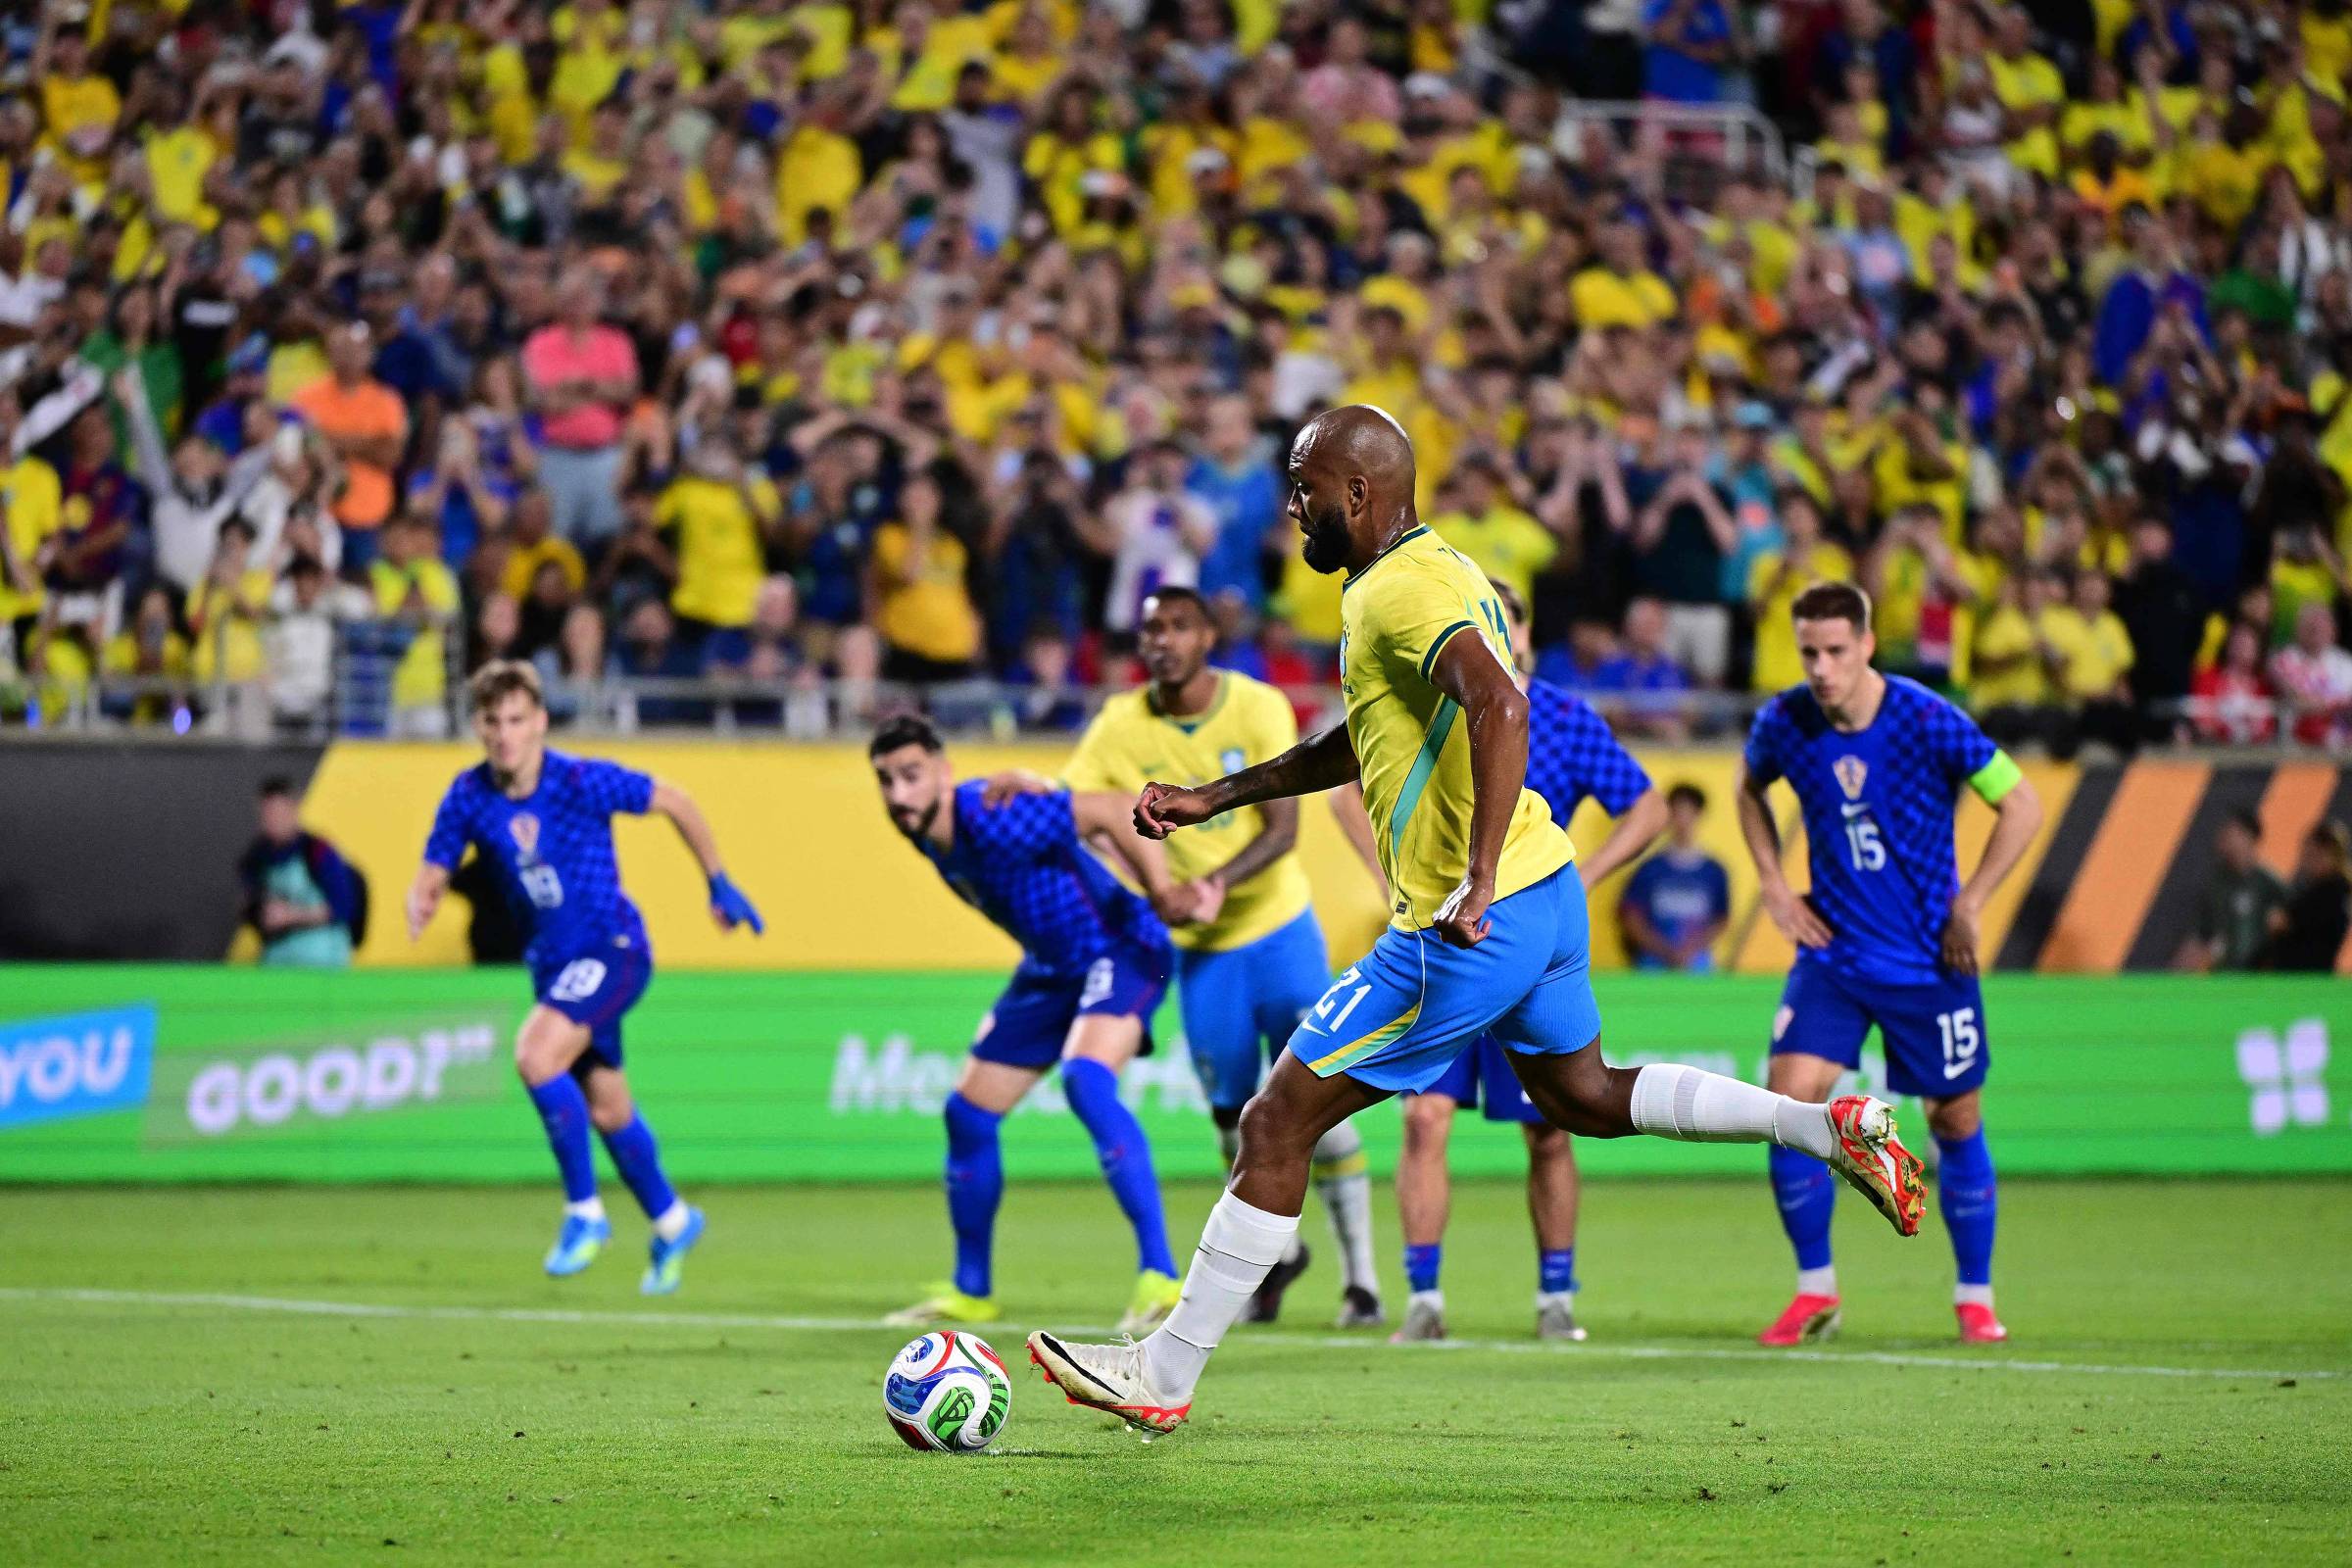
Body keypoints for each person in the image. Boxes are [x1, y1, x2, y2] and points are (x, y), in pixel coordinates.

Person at [1027, 406, 1927, 1434]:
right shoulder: (1436, 568)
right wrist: (1219, 797)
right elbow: (1369, 734)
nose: (1292, 506)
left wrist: (1478, 876)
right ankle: (1828, 1125)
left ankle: (1168, 1369)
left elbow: (1503, 705)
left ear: (1357, 494)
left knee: (1275, 1121)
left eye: (1305, 486)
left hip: (1470, 923)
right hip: (1548, 897)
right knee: (1583, 1094)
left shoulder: (1398, 594)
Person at [1015, 586, 1387, 1328]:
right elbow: (1075, 814)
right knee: (1231, 1117)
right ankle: (1271, 1261)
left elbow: (1283, 830)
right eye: (1151, 628)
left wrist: (1214, 882)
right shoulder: (1120, 723)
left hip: (1279, 931)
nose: (1161, 640)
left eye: (1178, 627)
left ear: (1208, 636)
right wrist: (1151, 889)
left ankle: (1362, 1281)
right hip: (1201, 952)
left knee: (1323, 1101)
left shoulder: (1256, 706)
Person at [1736, 582, 2044, 1349]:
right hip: (1835, 955)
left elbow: (2024, 804)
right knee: (1789, 1104)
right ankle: (1816, 1292)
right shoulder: (1785, 719)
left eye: (1837, 651)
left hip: (1929, 959)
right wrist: (1774, 885)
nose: (1822, 667)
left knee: (1956, 1119)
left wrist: (1972, 901)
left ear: (1868, 644)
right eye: (1809, 651)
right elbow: (1747, 790)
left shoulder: (1927, 718)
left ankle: (1974, 1296)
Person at [1359, 579, 1667, 1346]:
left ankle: (1555, 1298)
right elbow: (1350, 784)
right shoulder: (1430, 708)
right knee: (1425, 1118)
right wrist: (1394, 876)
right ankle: (1424, 1300)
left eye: (1504, 623)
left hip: (1527, 945)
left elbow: (1649, 807)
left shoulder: (1559, 715)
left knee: (1553, 1127)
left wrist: (1580, 880)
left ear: (1519, 633)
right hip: (1447, 944)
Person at [404, 661, 765, 1293]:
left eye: (518, 720)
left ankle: (584, 1213)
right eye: (493, 722)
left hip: (613, 947)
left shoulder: (579, 780)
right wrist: (422, 893)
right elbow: (435, 861)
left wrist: (717, 879)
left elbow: (673, 799)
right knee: (608, 1109)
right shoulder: (469, 795)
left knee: (535, 1056)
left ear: (541, 721)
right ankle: (673, 1218)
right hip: (552, 968)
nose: (505, 734)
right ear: (479, 728)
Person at [870, 712, 1191, 1336]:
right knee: (967, 1114)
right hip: (1052, 969)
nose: (898, 794)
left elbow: (1110, 809)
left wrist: (1162, 893)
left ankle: (1160, 1278)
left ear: (943, 771)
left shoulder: (991, 812)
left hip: (1121, 947)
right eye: (885, 781)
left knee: (1085, 1081)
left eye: (911, 775)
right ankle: (972, 1291)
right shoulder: (924, 830)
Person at [239, 776, 367, 967]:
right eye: (268, 814)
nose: (274, 820)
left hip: (323, 958)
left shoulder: (318, 851)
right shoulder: (256, 857)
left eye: (279, 812)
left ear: (294, 810)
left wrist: (291, 915)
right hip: (278, 958)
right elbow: (249, 907)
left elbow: (344, 907)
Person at [1620, 783, 1732, 971]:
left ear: (1699, 814)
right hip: (1653, 961)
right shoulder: (1649, 870)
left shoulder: (1714, 871)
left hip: (1695, 963)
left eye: (1689, 812)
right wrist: (1664, 951)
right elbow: (1631, 917)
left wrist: (1691, 950)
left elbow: (1722, 919)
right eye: (1678, 812)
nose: (1683, 821)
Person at [2175, 808, 2287, 972]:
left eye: (2230, 832)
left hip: (2259, 975)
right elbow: (2203, 932)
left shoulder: (2268, 882)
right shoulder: (2217, 882)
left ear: (2248, 836)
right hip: (2224, 973)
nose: (2222, 837)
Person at [2259, 822, 2352, 972]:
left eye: (2310, 853)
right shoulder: (2317, 890)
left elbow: (2285, 923)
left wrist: (2282, 922)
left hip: (2306, 978)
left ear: (2327, 854)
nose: (2303, 859)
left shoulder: (2333, 892)